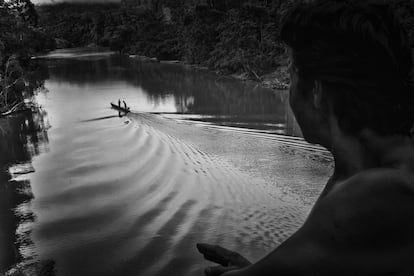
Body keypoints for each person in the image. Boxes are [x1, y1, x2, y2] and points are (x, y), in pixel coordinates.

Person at [197, 0, 414, 275]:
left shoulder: (375, 195)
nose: (289, 90)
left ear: (317, 92)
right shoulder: (365, 169)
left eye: (291, 74)